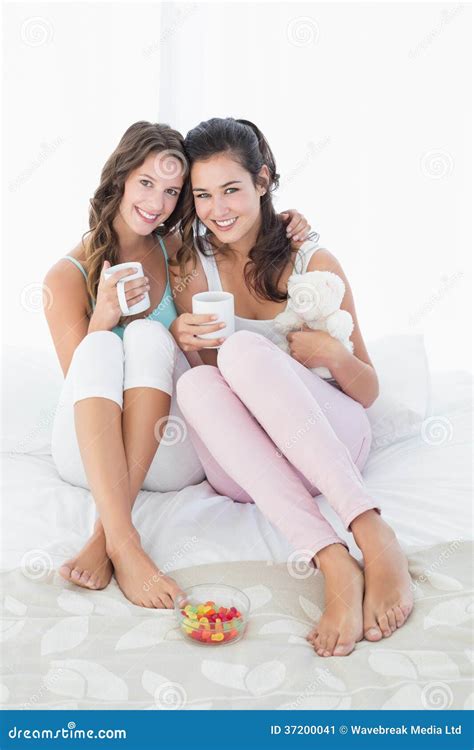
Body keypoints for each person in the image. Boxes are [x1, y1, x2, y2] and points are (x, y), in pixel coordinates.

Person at [169, 117, 414, 656]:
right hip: (250, 471)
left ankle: (372, 532)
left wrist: (332, 354)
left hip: (331, 443)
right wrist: (182, 340)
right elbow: (216, 387)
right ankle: (332, 559)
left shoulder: (313, 260)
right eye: (203, 195)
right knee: (197, 385)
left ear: (263, 181)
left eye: (232, 189)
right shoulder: (190, 268)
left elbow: (368, 390)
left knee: (241, 350)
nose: (218, 209)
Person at [44, 120, 311, 608]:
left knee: (148, 332)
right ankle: (125, 544)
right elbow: (77, 384)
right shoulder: (65, 276)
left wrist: (289, 222)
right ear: (120, 178)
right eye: (146, 183)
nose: (157, 203)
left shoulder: (179, 252)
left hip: (167, 451)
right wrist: (102, 317)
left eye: (171, 191)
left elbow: (245, 232)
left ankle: (108, 535)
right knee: (100, 348)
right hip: (88, 452)